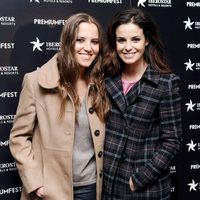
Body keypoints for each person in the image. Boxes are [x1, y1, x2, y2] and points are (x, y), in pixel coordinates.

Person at [9, 13, 109, 200]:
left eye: (94, 42)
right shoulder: (35, 81)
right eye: (80, 40)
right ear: (67, 42)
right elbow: (19, 138)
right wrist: (35, 182)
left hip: (91, 187)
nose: (88, 48)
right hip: (50, 190)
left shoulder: (102, 83)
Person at [102, 8, 182, 199]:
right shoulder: (106, 78)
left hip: (144, 189)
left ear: (147, 40)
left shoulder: (165, 83)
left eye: (135, 39)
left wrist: (139, 179)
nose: (128, 47)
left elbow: (172, 141)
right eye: (121, 40)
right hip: (109, 185)